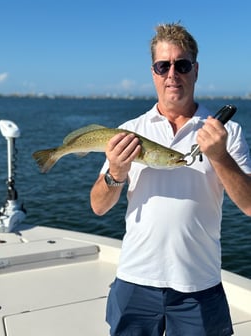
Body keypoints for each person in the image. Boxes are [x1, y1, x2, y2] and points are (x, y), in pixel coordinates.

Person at [90, 23, 251, 336]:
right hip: (135, 280)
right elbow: (97, 207)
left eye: (182, 65)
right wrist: (116, 173)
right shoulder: (129, 130)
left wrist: (219, 156)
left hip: (199, 285)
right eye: (163, 66)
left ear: (196, 70)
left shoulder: (227, 133)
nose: (172, 74)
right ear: (153, 72)